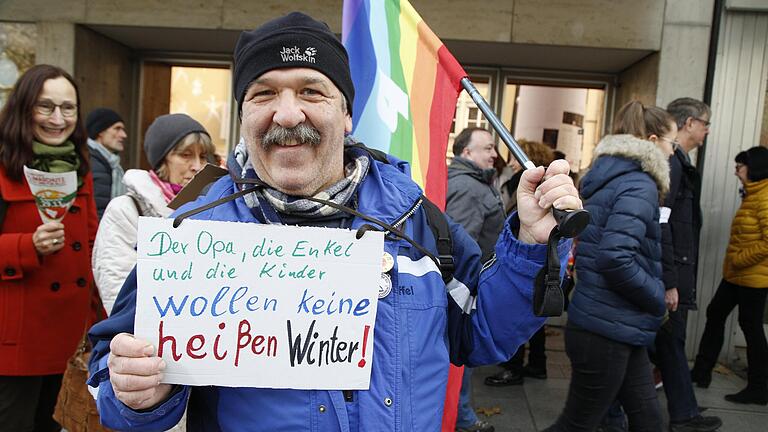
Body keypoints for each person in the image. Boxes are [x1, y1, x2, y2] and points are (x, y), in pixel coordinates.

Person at [86, 12, 581, 432]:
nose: (286, 113)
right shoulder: (194, 235)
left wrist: (530, 243)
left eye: (311, 91)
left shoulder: (415, 220)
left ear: (346, 114)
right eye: (263, 94)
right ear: (243, 114)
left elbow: (482, 331)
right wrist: (134, 393)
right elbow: (112, 372)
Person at [544, 101, 675, 432]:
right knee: (577, 424)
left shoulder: (612, 176)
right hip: (606, 327)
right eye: (671, 143)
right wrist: (656, 298)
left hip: (612, 323)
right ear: (653, 139)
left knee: (648, 421)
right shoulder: (640, 183)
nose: (673, 152)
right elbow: (615, 257)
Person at [0, 64, 99, 431]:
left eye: (68, 108)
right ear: (25, 108)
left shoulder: (80, 166)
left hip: (67, 340)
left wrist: (100, 328)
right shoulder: (3, 164)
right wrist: (27, 246)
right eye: (46, 107)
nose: (58, 118)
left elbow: (92, 248)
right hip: (15, 343)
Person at [93, 113, 213, 315]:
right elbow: (117, 288)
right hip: (147, 335)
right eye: (185, 155)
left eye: (202, 156)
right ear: (162, 160)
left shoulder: (210, 205)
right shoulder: (125, 209)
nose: (197, 166)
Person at [656, 98, 722, 431]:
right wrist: (670, 279)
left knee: (664, 342)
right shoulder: (674, 164)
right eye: (706, 123)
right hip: (672, 269)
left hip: (674, 266)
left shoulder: (678, 161)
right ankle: (684, 414)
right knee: (669, 340)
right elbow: (663, 222)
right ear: (690, 123)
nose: (708, 130)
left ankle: (684, 411)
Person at [691, 146, 768, 406]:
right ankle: (701, 372)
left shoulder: (765, 196)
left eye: (740, 166)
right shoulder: (753, 193)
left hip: (754, 278)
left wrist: (739, 259)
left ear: (754, 167)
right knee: (716, 314)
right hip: (737, 275)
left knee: (751, 327)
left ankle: (759, 387)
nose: (736, 171)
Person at [446, 127, 504, 432]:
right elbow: (461, 245)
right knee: (460, 355)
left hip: (467, 284)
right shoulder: (469, 188)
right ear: (467, 153)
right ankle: (463, 419)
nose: (494, 154)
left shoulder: (473, 182)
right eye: (488, 148)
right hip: (465, 287)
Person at [487, 140, 555, 387]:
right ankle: (538, 364)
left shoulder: (523, 182)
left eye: (516, 157)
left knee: (520, 309)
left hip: (525, 253)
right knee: (536, 312)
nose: (512, 161)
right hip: (542, 257)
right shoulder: (544, 183)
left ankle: (513, 366)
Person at [86, 108, 127, 219]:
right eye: (117, 128)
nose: (123, 135)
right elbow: (99, 211)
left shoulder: (110, 164)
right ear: (100, 131)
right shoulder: (92, 164)